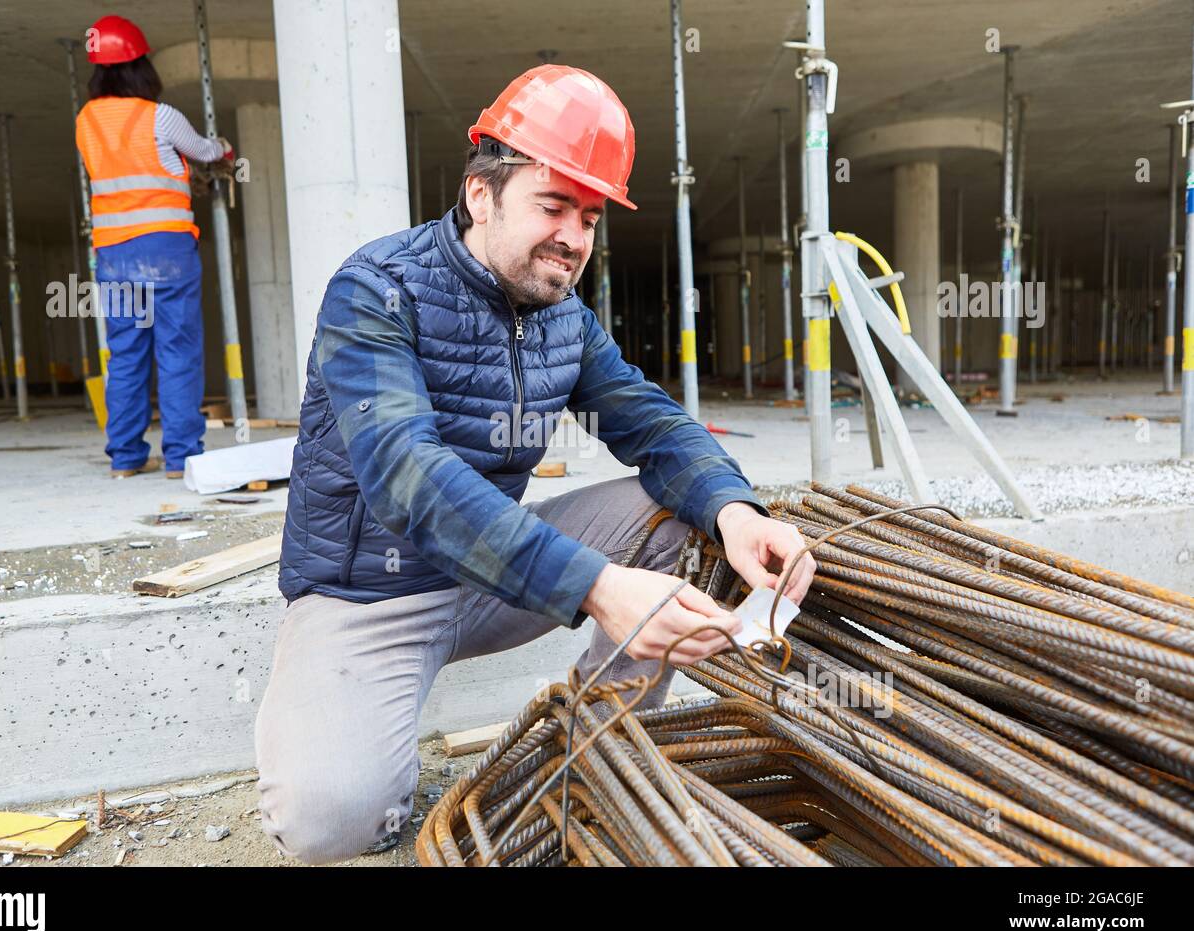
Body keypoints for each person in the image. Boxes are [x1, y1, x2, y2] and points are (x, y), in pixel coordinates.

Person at [254, 64, 817, 864]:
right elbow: (405, 472)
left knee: (677, 514)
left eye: (589, 216)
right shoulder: (376, 290)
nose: (574, 237)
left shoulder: (564, 319)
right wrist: (595, 586)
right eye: (552, 205)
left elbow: (651, 422)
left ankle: (595, 755)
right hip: (370, 593)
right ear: (481, 194)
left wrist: (736, 511)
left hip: (492, 574)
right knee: (332, 824)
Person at [74, 14, 233, 479]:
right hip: (165, 250)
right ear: (141, 67)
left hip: (114, 255)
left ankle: (124, 458)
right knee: (177, 352)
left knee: (125, 355)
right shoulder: (158, 115)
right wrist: (222, 148)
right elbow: (204, 151)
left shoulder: (85, 123)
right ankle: (181, 457)